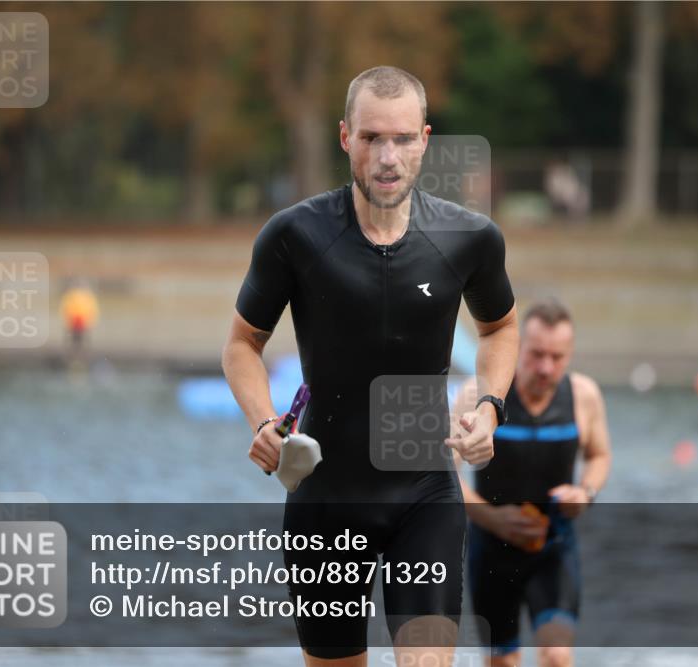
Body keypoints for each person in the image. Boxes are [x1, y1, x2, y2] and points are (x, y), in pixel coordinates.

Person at [223, 66, 520, 667]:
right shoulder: (295, 236)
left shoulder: (469, 238)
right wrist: (262, 422)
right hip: (325, 499)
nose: (388, 156)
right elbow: (241, 345)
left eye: (403, 139)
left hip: (425, 494)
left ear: (426, 140)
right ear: (344, 138)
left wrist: (489, 404)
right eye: (371, 138)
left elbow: (500, 328)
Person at [454, 298, 612, 667]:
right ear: (519, 347)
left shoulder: (583, 396)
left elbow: (600, 456)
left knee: (557, 655)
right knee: (503, 662)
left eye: (557, 357)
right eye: (537, 354)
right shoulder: (478, 397)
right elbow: (444, 471)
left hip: (553, 549)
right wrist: (492, 518)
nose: (545, 367)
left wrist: (585, 492)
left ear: (569, 355)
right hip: (491, 550)